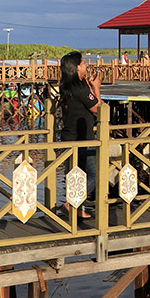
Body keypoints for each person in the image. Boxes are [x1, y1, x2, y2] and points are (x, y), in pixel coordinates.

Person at [58, 51, 101, 218]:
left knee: (78, 176)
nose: (86, 65)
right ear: (76, 67)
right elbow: (98, 109)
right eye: (83, 63)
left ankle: (79, 209)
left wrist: (90, 87)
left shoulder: (68, 85)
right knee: (95, 174)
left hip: (69, 137)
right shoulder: (80, 88)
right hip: (83, 138)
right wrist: (96, 87)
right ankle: (71, 204)